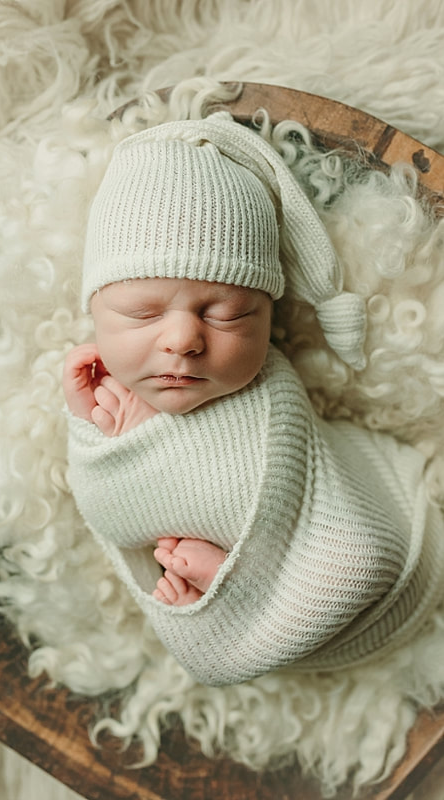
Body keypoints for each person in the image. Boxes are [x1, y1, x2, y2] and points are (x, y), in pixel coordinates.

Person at [62, 114, 444, 686]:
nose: (184, 340)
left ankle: (255, 585)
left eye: (229, 315)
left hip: (368, 530)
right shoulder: (107, 402)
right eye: (142, 314)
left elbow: (347, 540)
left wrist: (250, 563)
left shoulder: (266, 386)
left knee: (358, 561)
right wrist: (99, 432)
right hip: (254, 585)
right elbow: (111, 515)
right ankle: (245, 595)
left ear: (270, 318)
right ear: (94, 314)